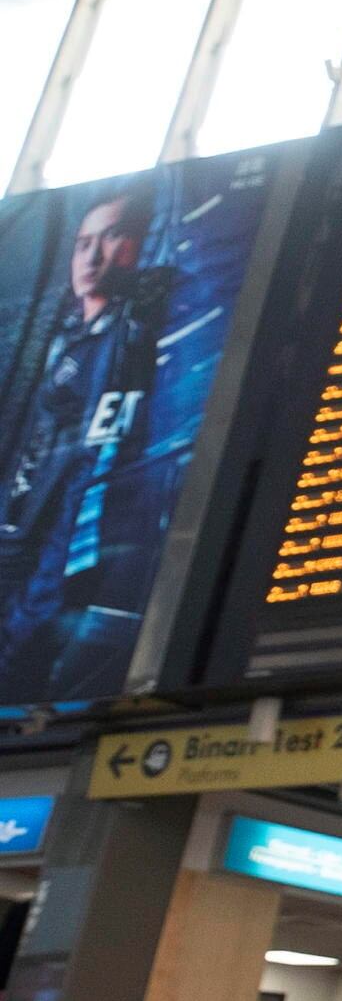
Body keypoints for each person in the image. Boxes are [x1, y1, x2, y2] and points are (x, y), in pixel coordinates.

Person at [0, 185, 169, 700]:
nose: (92, 256)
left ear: (141, 243)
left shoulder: (130, 332)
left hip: (52, 555)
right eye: (83, 242)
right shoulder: (59, 335)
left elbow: (91, 472)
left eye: (113, 236)